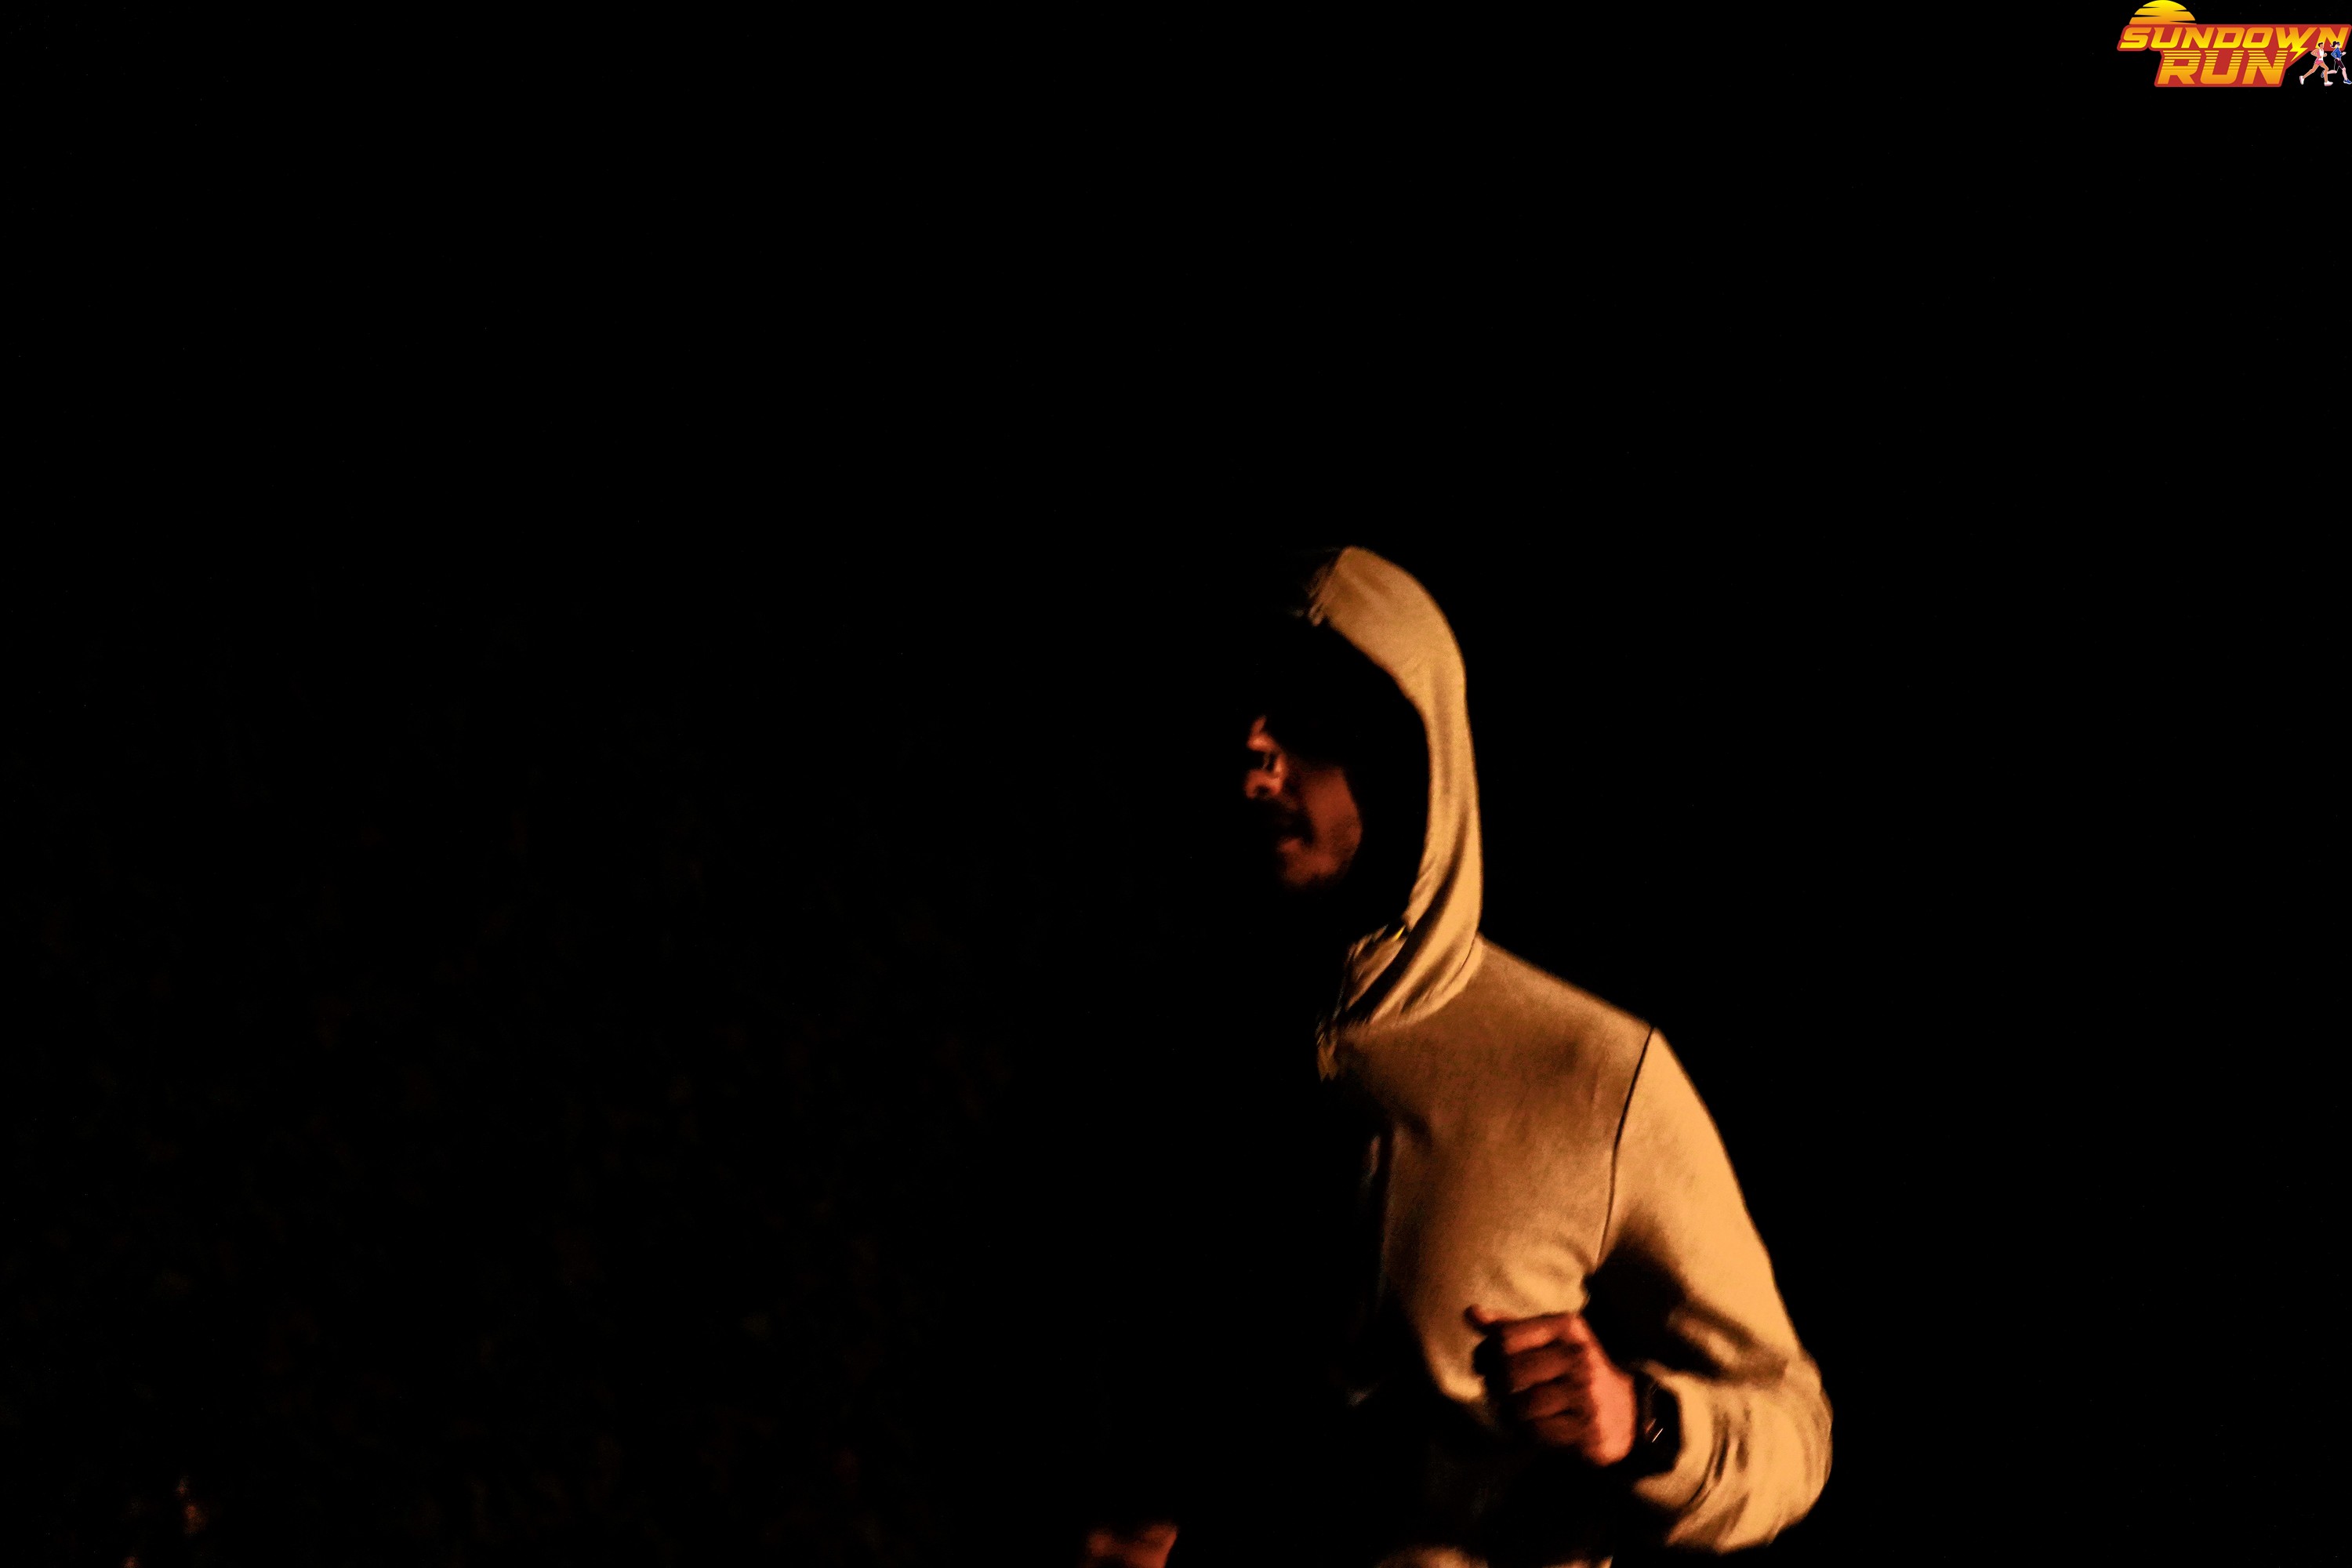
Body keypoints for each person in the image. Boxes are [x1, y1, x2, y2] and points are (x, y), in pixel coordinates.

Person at [1082, 548, 1830, 1568]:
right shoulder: (1174, 1052)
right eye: (1240, 717)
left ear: (1407, 757)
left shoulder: (1588, 1075)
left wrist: (1642, 1421)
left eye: (1310, 720)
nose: (1258, 760)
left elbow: (1792, 1429)